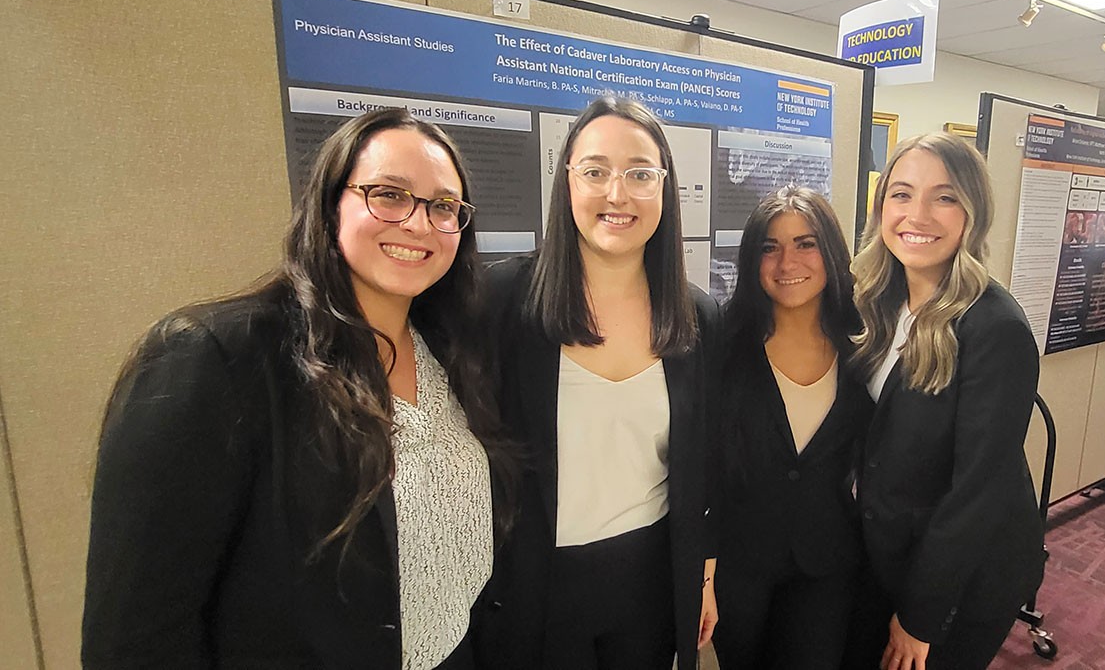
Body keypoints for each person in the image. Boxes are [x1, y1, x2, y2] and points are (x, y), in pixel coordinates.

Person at [82, 108, 516, 669]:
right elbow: (136, 635)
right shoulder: (216, 357)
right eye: (389, 194)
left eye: (443, 206)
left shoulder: (453, 349)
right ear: (330, 202)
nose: (418, 224)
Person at [473, 96, 719, 670]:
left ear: (665, 187)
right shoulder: (501, 303)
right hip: (535, 579)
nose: (618, 193)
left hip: (650, 579)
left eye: (640, 173)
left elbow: (702, 463)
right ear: (566, 183)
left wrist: (703, 569)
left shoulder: (697, 318)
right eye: (595, 171)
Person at [851, 133, 1046, 670]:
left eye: (945, 197)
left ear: (972, 213)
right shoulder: (876, 299)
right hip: (890, 549)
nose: (919, 214)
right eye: (901, 194)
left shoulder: (995, 327)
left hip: (964, 575)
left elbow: (978, 491)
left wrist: (921, 615)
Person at [711, 187, 874, 669]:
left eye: (805, 244)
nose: (787, 263)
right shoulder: (722, 341)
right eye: (769, 247)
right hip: (740, 561)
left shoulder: (862, 342)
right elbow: (703, 461)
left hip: (827, 560)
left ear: (831, 253)